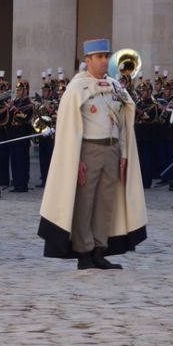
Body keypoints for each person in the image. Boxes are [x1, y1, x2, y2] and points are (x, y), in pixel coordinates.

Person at [38, 38, 147, 270]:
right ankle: (83, 251)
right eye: (99, 57)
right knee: (85, 203)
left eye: (106, 56)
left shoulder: (115, 87)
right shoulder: (78, 87)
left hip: (112, 149)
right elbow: (69, 127)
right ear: (87, 60)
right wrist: (74, 159)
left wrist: (125, 153)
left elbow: (124, 121)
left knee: (105, 203)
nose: (104, 61)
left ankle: (99, 248)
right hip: (89, 149)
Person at [7, 73, 34, 193]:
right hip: (14, 135)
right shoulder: (16, 102)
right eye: (17, 90)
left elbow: (24, 117)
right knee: (14, 161)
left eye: (20, 90)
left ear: (25, 91)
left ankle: (22, 185)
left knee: (21, 161)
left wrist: (13, 109)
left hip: (22, 135)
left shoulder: (29, 103)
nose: (17, 92)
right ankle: (17, 183)